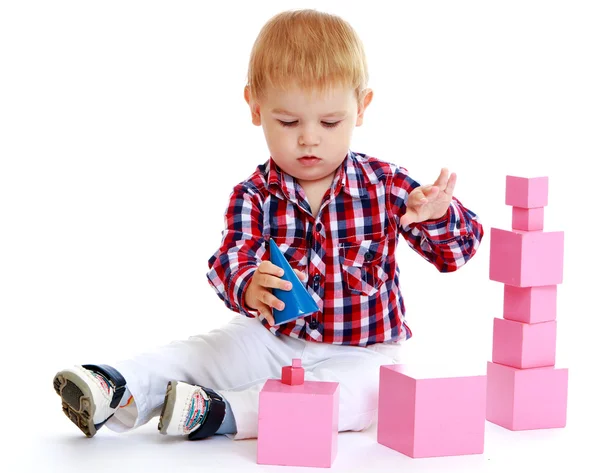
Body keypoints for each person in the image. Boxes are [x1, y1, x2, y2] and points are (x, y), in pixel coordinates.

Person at [53, 8, 484, 441]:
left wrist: (439, 216)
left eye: (330, 122)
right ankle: (118, 386)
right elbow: (228, 260)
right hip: (274, 337)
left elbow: (459, 252)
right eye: (288, 121)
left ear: (362, 107)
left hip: (366, 353)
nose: (309, 137)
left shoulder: (386, 185)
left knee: (361, 397)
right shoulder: (254, 194)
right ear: (256, 108)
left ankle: (220, 413)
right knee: (209, 350)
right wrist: (249, 285)